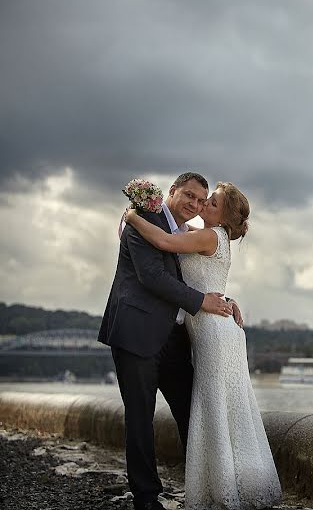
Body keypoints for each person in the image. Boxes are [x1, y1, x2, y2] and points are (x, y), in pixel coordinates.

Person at [124, 181, 281, 510]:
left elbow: (167, 244)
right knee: (222, 408)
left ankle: (221, 488)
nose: (201, 204)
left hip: (207, 330)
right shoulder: (207, 234)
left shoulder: (207, 235)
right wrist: (223, 298)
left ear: (222, 215)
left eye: (209, 202)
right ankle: (224, 484)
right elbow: (176, 275)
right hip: (201, 328)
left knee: (209, 408)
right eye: (198, 198)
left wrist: (132, 215)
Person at [99, 172, 233, 510]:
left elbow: (197, 276)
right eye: (189, 195)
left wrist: (224, 301)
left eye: (202, 201)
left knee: (193, 410)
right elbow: (151, 276)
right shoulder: (145, 218)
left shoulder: (186, 232)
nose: (195, 204)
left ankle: (204, 487)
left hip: (175, 338)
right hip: (137, 333)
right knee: (140, 417)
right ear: (172, 191)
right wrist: (202, 302)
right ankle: (146, 497)